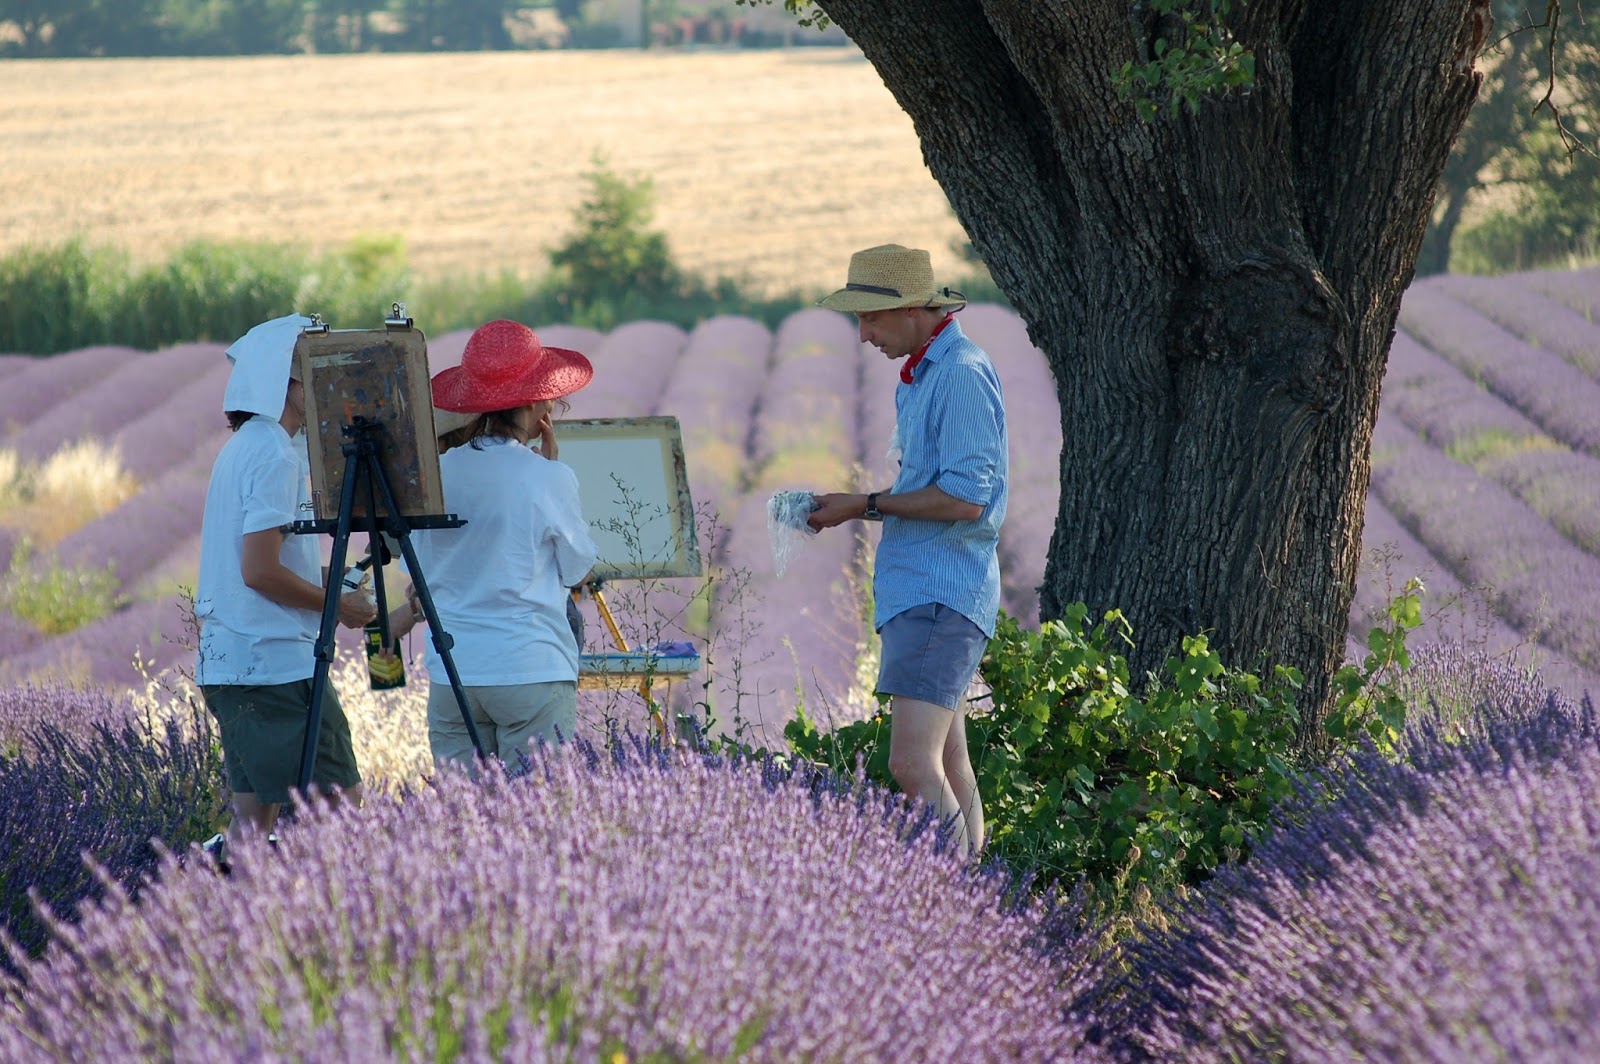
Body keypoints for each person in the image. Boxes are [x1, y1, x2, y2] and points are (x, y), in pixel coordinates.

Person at [807, 244, 1008, 856]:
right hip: (926, 589)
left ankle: (950, 905)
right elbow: (935, 485)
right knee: (949, 762)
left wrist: (866, 504)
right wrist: (854, 505)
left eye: (871, 319)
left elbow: (967, 498)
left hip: (941, 593)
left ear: (914, 310)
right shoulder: (927, 374)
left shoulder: (959, 373)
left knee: (912, 766)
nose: (864, 335)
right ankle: (978, 895)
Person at [194, 313, 379, 854]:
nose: (324, 384)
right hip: (272, 665)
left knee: (254, 821)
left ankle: (219, 907)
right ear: (285, 382)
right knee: (341, 810)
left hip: (239, 661)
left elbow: (258, 562)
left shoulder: (248, 447)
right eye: (311, 371)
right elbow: (259, 572)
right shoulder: (273, 453)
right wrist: (335, 607)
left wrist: (329, 584)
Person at [385, 319, 599, 772]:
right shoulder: (547, 476)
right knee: (537, 821)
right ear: (537, 402)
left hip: (454, 671)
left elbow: (415, 565)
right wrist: (551, 469)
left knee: (465, 824)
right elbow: (577, 569)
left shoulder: (434, 475)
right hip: (529, 666)